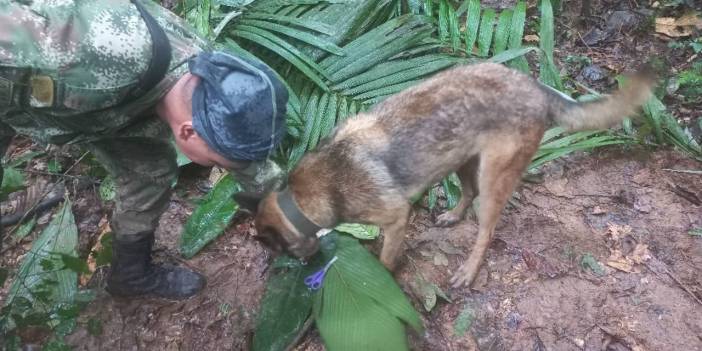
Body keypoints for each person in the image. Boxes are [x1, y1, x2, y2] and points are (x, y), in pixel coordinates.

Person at [0, 0, 288, 299]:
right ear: (187, 130)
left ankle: (130, 275)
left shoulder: (209, 78)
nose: (222, 166)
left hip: (105, 109)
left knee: (149, 173)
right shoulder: (80, 53)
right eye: (216, 162)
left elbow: (243, 160)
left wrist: (290, 213)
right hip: (20, 87)